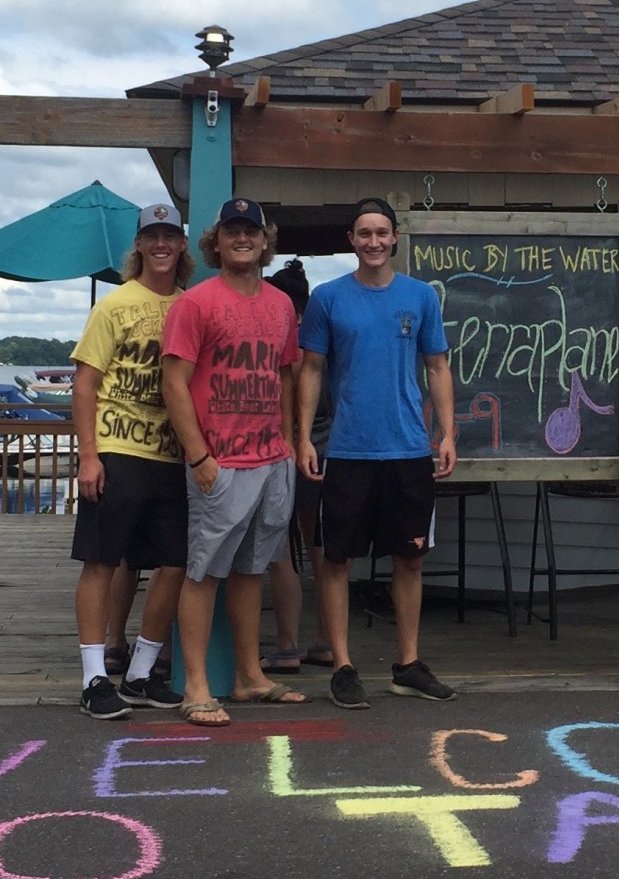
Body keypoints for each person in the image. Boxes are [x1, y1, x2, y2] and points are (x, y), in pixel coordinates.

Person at [297, 197, 459, 709]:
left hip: (409, 448)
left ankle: (407, 665)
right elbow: (311, 370)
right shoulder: (327, 298)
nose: (373, 241)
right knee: (337, 561)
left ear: (395, 238)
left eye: (382, 233)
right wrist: (303, 437)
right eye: (364, 233)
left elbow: (437, 366)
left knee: (409, 559)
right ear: (352, 239)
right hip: (347, 449)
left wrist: (448, 434)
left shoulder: (420, 297)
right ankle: (343, 666)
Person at [159, 197, 307, 725]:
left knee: (251, 570)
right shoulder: (195, 303)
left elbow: (286, 373)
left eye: (252, 230)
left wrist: (288, 441)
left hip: (271, 460)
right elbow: (173, 381)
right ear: (215, 241)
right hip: (220, 461)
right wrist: (198, 454)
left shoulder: (281, 305)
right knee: (204, 572)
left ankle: (249, 676)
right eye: (232, 230)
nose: (242, 238)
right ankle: (196, 685)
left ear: (265, 241)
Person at [68, 202, 190, 718]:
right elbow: (85, 381)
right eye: (151, 237)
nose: (160, 245)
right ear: (138, 246)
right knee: (102, 560)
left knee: (176, 563)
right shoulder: (113, 306)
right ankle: (94, 677)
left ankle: (141, 671)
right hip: (117, 449)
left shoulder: (190, 306)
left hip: (170, 453)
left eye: (170, 236)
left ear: (183, 245)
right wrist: (89, 456)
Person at [261, 259, 332, 676]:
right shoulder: (322, 343)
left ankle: (287, 645)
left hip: (283, 449)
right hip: (325, 451)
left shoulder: (285, 344)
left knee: (279, 551)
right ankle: (325, 640)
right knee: (321, 549)